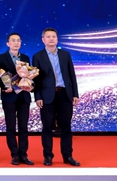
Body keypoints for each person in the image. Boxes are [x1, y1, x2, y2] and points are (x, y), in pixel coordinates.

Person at [31, 28, 80, 166]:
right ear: (43, 39)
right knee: (47, 127)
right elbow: (36, 79)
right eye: (48, 37)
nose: (51, 39)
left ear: (57, 39)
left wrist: (75, 94)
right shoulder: (37, 56)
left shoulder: (65, 55)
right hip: (47, 96)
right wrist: (38, 96)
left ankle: (68, 156)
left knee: (66, 126)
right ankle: (48, 156)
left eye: (53, 36)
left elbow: (72, 75)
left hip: (65, 94)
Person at [0, 32, 34, 165]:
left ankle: (24, 154)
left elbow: (29, 76)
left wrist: (29, 85)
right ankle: (14, 155)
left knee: (23, 127)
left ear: (21, 43)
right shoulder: (1, 58)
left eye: (18, 40)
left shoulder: (25, 58)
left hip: (23, 96)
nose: (16, 43)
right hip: (9, 96)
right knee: (10, 127)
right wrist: (5, 87)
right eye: (13, 40)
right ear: (8, 43)